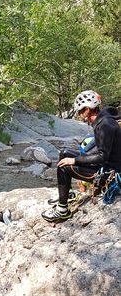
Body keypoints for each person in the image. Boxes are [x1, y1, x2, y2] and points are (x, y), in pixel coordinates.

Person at [42, 90, 121, 223]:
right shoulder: (103, 119)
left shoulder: (105, 125)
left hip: (111, 174)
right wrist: (76, 158)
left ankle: (62, 210)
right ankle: (67, 194)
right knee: (64, 153)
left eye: (80, 110)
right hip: (106, 164)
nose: (79, 114)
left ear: (88, 110)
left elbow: (102, 156)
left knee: (64, 167)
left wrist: (74, 160)